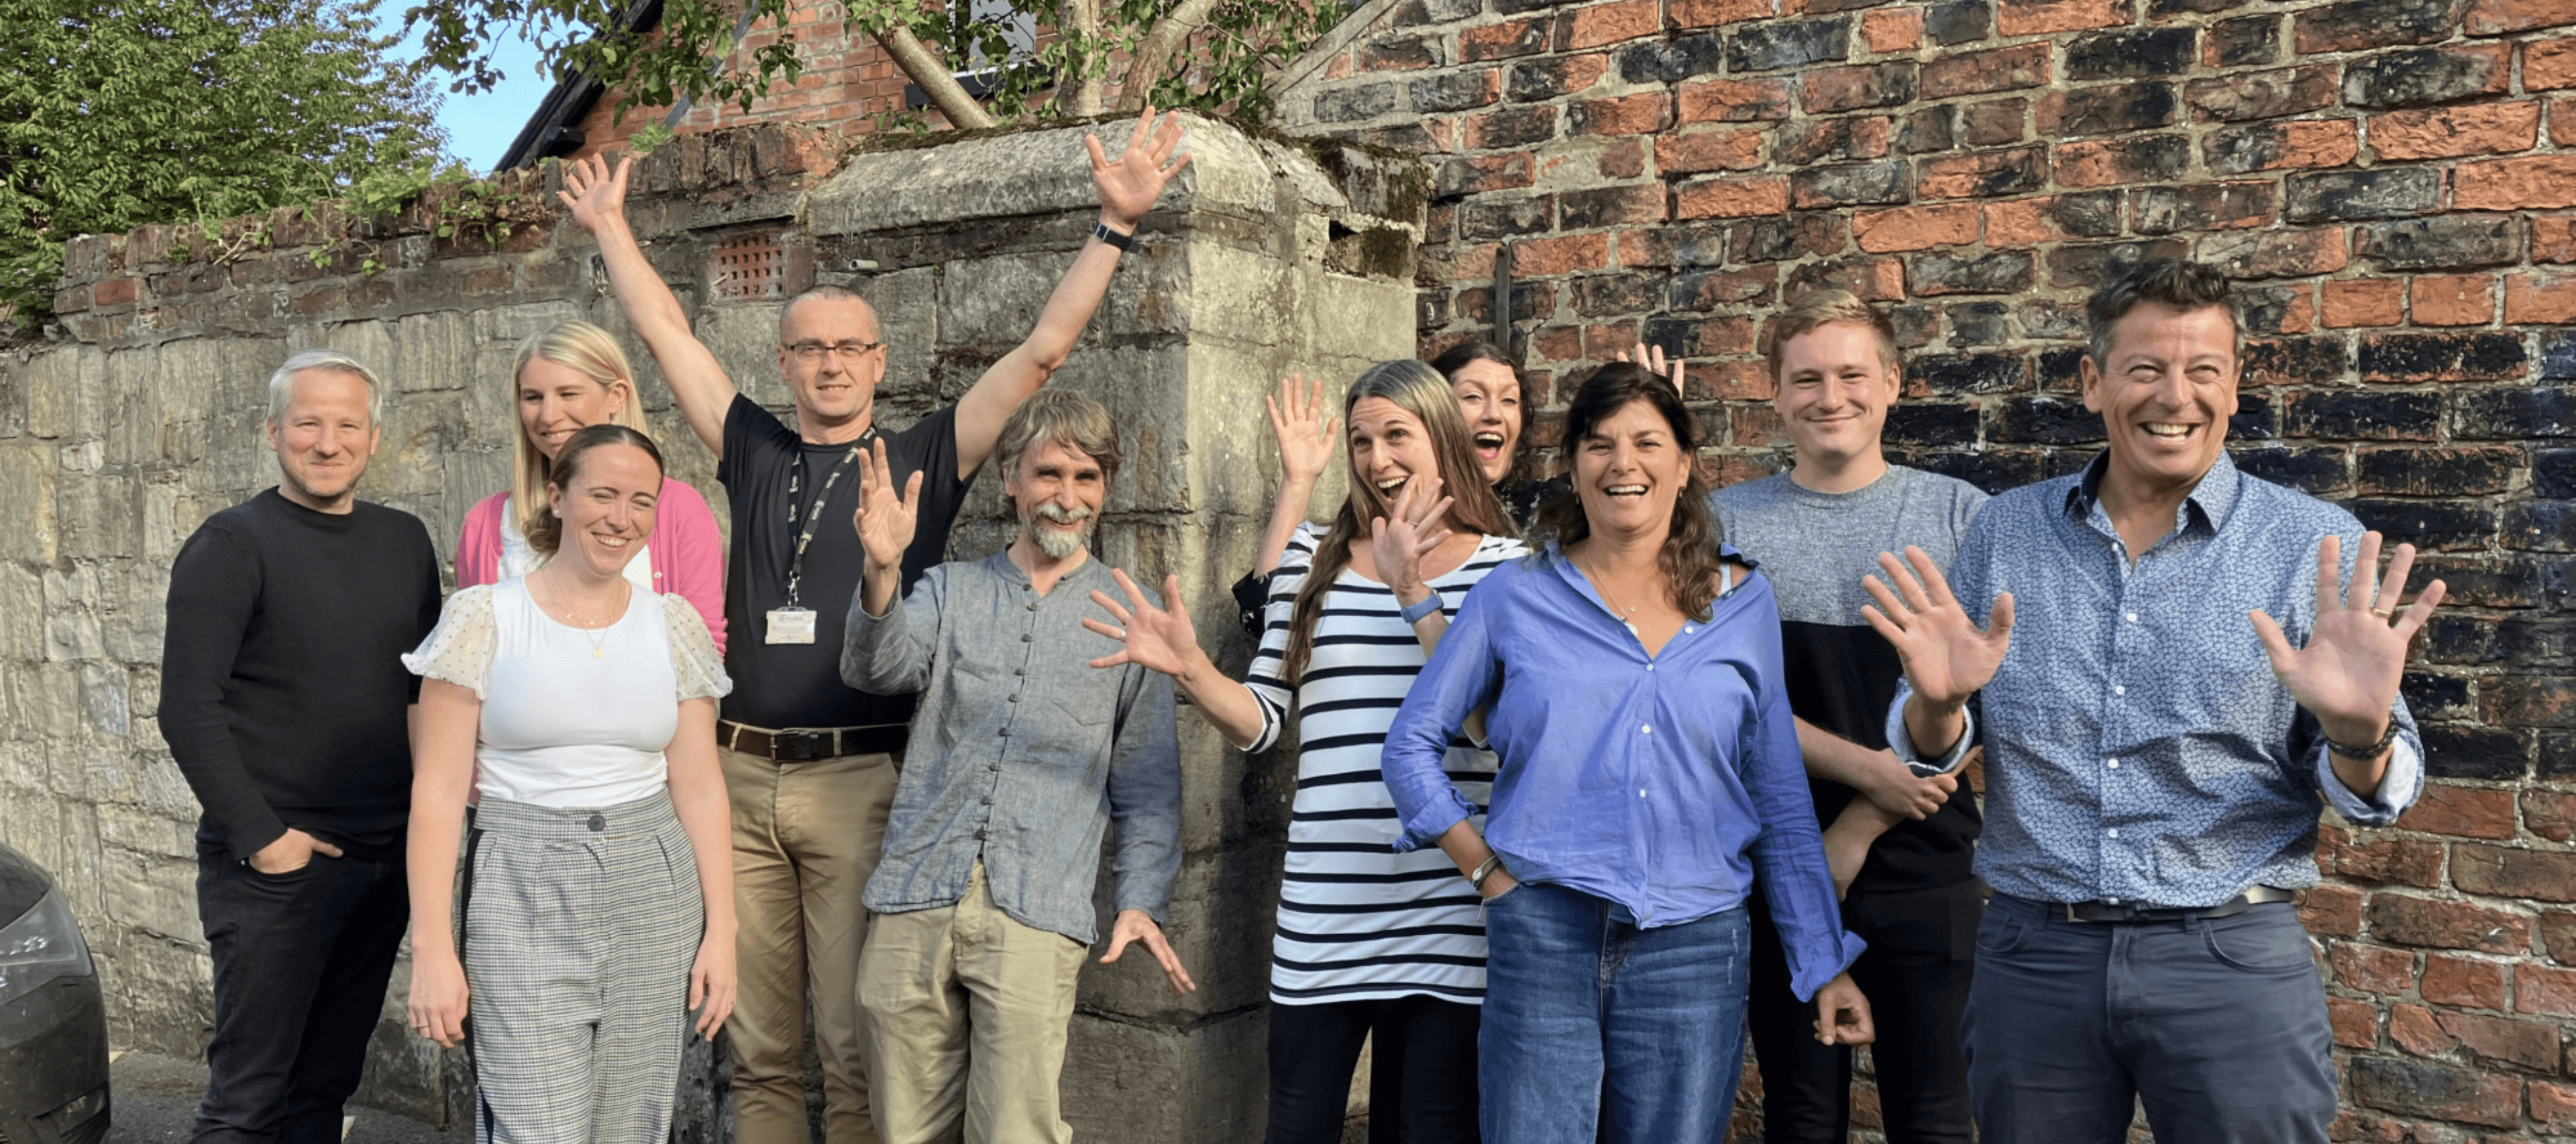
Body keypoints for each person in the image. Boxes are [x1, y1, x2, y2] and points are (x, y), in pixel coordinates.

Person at [555, 105, 1193, 1144]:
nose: (831, 365)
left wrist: (1114, 225)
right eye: (809, 348)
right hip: (739, 774)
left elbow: (1039, 353)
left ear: (881, 358)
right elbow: (668, 333)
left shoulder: (927, 455)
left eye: (850, 347)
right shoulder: (753, 445)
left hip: (861, 781)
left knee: (857, 1054)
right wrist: (613, 230)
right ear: (786, 360)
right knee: (755, 1051)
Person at [1868, 260, 2441, 1143]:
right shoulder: (2006, 530)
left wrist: (2359, 737)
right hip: (2036, 956)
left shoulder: (2309, 543)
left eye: (2203, 369)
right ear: (2093, 382)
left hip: (2231, 961)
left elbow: (2380, 794)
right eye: (2145, 368)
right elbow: (1929, 746)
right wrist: (1938, 708)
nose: (2176, 395)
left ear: (2236, 385)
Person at [1378, 362, 1873, 1144]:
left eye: (1648, 441)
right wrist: (1487, 872)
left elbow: (1776, 792)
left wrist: (1823, 963)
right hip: (1541, 926)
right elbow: (1410, 744)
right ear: (1573, 464)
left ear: (1683, 464)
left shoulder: (1742, 602)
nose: (1623, 463)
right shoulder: (1515, 596)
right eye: (1599, 443)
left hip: (1697, 942)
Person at [1084, 359, 1523, 1144]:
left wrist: (1414, 588)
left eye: (1397, 435)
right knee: (1297, 1126)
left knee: (1432, 1127)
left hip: (1452, 905)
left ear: (1443, 436)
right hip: (1326, 907)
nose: (1378, 459)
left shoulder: (1508, 566)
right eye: (1362, 440)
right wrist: (1191, 668)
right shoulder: (1312, 556)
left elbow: (1491, 726)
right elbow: (1261, 720)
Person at [840, 389, 1189, 1144]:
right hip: (914, 894)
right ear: (1010, 477)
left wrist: (1141, 897)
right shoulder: (950, 588)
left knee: (1017, 1131)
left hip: (1039, 906)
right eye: (1049, 474)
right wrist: (880, 570)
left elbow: (1149, 783)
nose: (1067, 498)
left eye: (1087, 478)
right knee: (900, 1128)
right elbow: (877, 668)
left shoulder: (1132, 620)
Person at [401, 425, 738, 1144]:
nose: (621, 517)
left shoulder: (673, 625)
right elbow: (436, 789)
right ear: (557, 495)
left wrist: (723, 930)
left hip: (655, 884)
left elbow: (702, 787)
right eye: (603, 494)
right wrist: (432, 946)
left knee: (631, 1126)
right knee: (536, 1125)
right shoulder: (483, 616)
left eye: (641, 501)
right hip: (521, 882)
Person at [1710, 290, 1987, 1144]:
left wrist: (1863, 821)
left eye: (1852, 374)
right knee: (1801, 1114)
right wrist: (1862, 774)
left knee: (1935, 1114)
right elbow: (1725, 703)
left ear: (1893, 383)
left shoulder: (1959, 515)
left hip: (1926, 869)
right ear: (1776, 392)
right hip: (1776, 870)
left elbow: (1984, 699)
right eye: (1807, 379)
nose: (1831, 396)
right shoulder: (1724, 522)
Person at [158, 350, 443, 1144]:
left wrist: (419, 834)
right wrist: (264, 839)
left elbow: (425, 695)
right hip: (276, 869)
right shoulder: (231, 544)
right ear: (274, 430)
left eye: (347, 423)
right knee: (248, 1100)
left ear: (373, 437)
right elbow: (187, 706)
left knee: (323, 1088)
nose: (328, 441)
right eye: (309, 422)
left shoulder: (404, 540)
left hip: (380, 863)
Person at [455, 319, 726, 649]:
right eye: (533, 397)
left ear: (616, 396)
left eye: (568, 394)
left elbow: (702, 651)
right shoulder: (487, 523)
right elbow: (468, 659)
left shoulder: (678, 509)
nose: (548, 415)